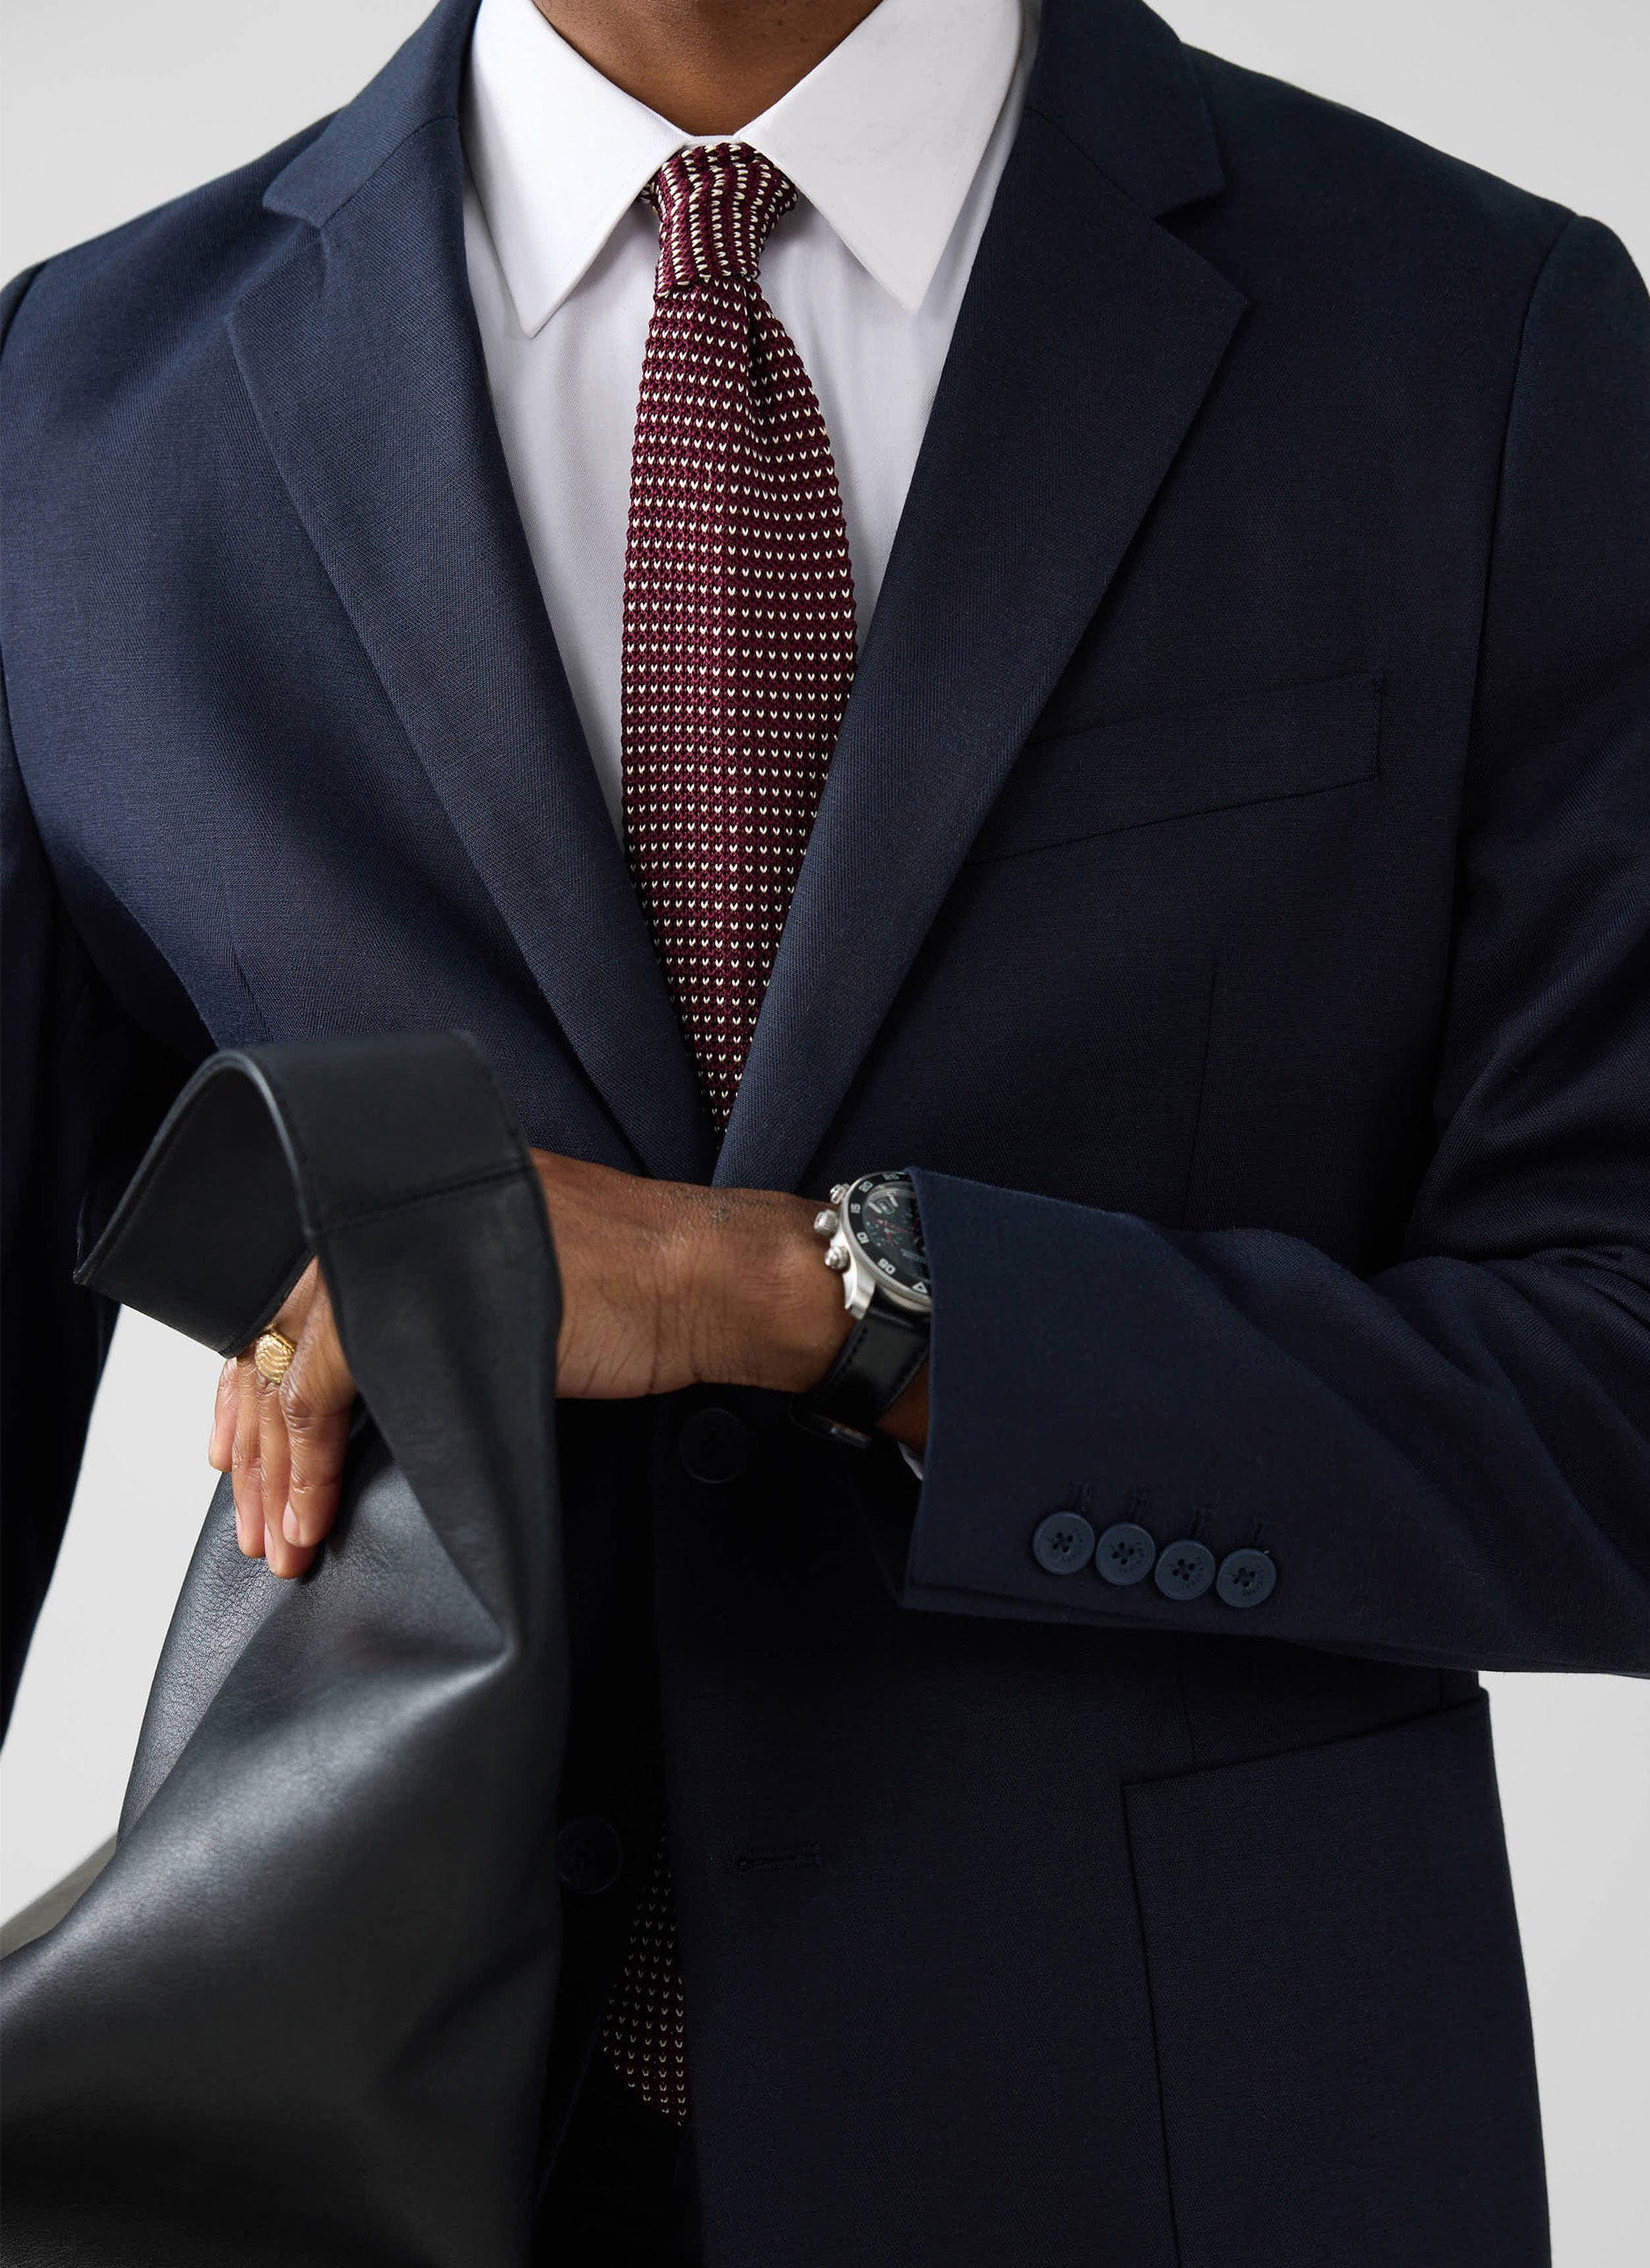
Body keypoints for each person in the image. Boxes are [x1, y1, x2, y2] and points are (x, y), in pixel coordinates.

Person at [3, 0, 1647, 2259]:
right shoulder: (73, 416)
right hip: (316, 2155)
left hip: (1181, 2162)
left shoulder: (1481, 347)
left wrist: (801, 1294)